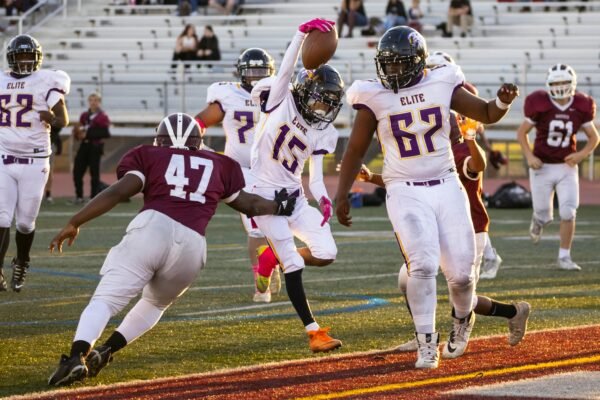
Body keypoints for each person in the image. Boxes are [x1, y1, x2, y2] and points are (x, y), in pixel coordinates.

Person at [47, 113, 297, 387]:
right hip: (193, 245)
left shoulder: (149, 155)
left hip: (153, 228)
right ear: (198, 141)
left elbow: (119, 192)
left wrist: (75, 221)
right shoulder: (219, 164)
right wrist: (279, 206)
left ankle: (76, 357)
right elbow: (250, 205)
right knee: (155, 304)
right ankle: (108, 349)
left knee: (105, 300)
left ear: (160, 139)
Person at [336, 26, 518, 369]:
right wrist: (342, 192)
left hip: (446, 184)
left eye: (398, 64)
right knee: (420, 265)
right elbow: (355, 151)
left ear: (418, 62)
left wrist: (504, 101)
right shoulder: (372, 96)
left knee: (462, 277)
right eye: (386, 64)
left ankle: (463, 319)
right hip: (404, 189)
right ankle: (426, 343)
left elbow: (488, 113)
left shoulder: (442, 81)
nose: (391, 72)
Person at [354, 116, 530, 353]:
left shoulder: (457, 150)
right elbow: (405, 182)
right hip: (434, 226)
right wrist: (370, 177)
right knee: (408, 278)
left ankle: (512, 312)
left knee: (460, 291)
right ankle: (422, 334)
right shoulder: (428, 152)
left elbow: (476, 166)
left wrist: (470, 139)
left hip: (468, 228)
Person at [249, 18, 345, 353]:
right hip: (262, 196)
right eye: (321, 100)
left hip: (295, 197)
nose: (323, 108)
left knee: (327, 252)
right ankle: (314, 333)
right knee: (294, 262)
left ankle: (269, 258)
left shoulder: (321, 130)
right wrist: (301, 34)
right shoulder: (282, 98)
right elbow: (289, 68)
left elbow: (315, 177)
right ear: (305, 92)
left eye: (329, 103)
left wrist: (324, 199)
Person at [194, 48, 279, 303]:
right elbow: (198, 123)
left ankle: (270, 264)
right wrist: (207, 151)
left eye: (260, 73)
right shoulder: (228, 96)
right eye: (250, 72)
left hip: (274, 170)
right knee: (255, 229)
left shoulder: (279, 93)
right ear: (240, 73)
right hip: (241, 171)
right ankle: (260, 283)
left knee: (281, 223)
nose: (255, 77)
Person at [0, 34, 70, 293]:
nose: (26, 61)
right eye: (21, 56)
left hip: (35, 160)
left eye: (30, 56)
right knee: (2, 217)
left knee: (25, 223)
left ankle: (22, 261)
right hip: (4, 157)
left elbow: (63, 120)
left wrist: (50, 117)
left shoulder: (46, 81)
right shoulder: (1, 80)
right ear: (11, 58)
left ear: (38, 58)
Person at [426, 51, 503, 279]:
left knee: (468, 202)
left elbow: (476, 123)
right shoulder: (423, 90)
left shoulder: (463, 91)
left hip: (460, 149)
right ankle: (484, 255)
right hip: (439, 150)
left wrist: (482, 147)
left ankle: (484, 256)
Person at [516, 64, 599, 271]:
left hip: (566, 165)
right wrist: (529, 155)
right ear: (548, 85)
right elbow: (521, 132)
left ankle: (564, 256)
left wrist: (581, 154)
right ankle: (538, 220)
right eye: (556, 83)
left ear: (572, 84)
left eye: (564, 82)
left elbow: (594, 137)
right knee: (545, 214)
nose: (560, 86)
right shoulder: (539, 102)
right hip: (542, 165)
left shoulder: (582, 104)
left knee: (569, 212)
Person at [71, 93, 111, 204]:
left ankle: (93, 197)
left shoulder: (102, 116)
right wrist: (77, 133)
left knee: (94, 173)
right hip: (84, 146)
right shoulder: (84, 115)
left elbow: (105, 133)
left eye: (95, 100)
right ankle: (79, 196)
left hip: (95, 146)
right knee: (77, 171)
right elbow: (81, 129)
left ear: (99, 102)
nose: (93, 102)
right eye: (91, 100)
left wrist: (87, 134)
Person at [44, 125, 63, 204]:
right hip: (32, 143)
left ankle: (48, 193)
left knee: (48, 170)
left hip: (49, 143)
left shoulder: (51, 115)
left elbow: (60, 125)